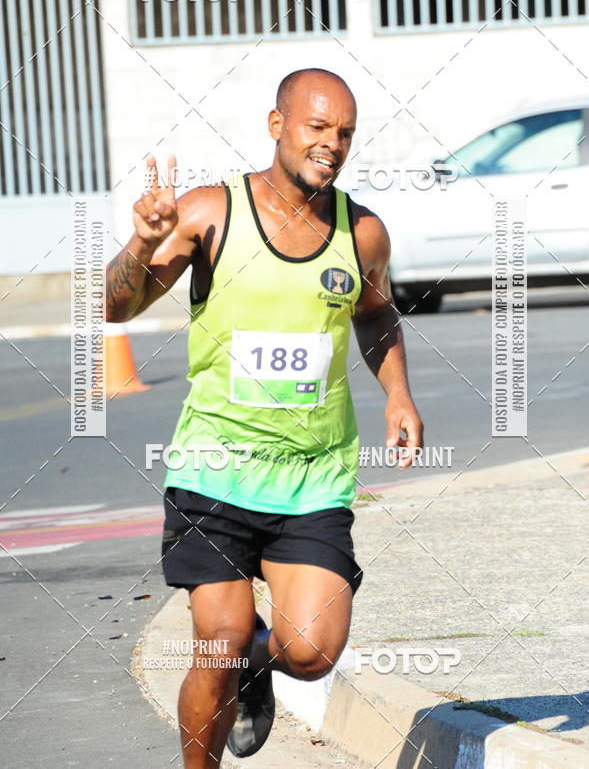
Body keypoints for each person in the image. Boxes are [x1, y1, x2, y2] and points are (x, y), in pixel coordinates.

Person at [106, 68, 423, 767]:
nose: (331, 144)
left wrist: (397, 394)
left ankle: (259, 662)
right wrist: (140, 243)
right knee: (213, 644)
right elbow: (115, 308)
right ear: (277, 125)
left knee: (311, 653)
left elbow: (376, 317)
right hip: (214, 469)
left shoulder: (363, 233)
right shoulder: (207, 213)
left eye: (343, 133)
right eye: (316, 127)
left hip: (313, 475)